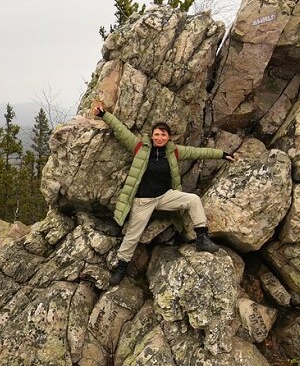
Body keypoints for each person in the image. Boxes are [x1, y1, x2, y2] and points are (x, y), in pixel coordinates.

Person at [92, 100, 235, 286]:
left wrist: (222, 154)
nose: (159, 138)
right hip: (143, 201)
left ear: (168, 137)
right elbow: (121, 130)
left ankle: (202, 237)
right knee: (132, 236)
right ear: (152, 136)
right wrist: (104, 114)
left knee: (193, 199)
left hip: (165, 197)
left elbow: (198, 152)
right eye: (157, 135)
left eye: (163, 135)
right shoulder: (140, 147)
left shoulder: (173, 152)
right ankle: (121, 267)